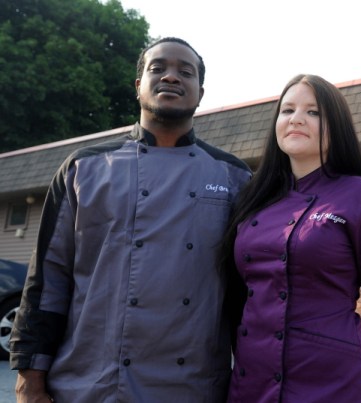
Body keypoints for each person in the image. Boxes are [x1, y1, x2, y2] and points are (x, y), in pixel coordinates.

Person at [10, 37, 251, 402]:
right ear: (138, 86)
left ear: (200, 92)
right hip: (92, 383)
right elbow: (48, 280)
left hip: (194, 386)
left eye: (185, 72)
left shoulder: (234, 176)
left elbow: (246, 293)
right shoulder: (83, 168)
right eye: (158, 68)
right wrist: (30, 379)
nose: (171, 77)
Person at [224, 74, 361, 402]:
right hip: (251, 380)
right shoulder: (252, 199)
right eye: (287, 110)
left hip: (331, 382)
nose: (296, 119)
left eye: (313, 112)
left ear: (334, 126)